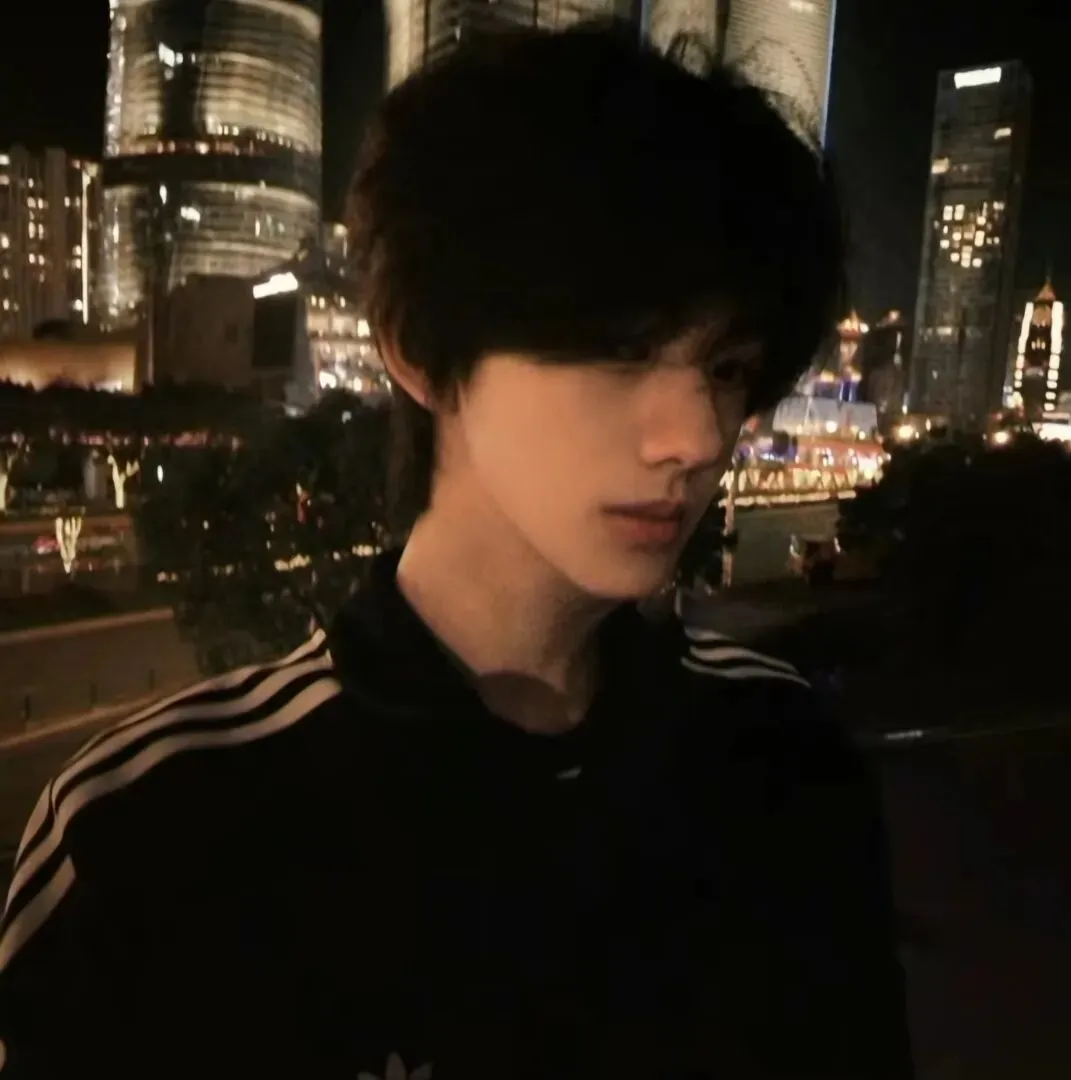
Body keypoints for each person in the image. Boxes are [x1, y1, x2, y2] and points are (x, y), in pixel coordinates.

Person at [0, 21, 910, 1079]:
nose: (699, 437)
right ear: (419, 351)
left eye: (729, 367)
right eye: (618, 350)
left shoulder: (782, 766)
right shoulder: (154, 836)